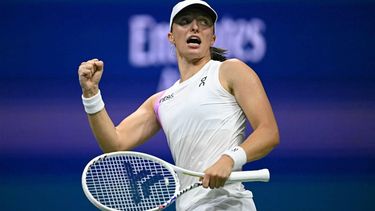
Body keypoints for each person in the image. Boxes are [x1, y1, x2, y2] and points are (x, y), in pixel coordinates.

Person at [78, 0, 279, 210]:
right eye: (185, 21)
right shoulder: (160, 101)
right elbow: (115, 143)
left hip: (229, 205)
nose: (195, 27)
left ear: (212, 37)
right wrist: (91, 94)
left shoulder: (230, 71)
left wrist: (230, 158)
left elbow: (268, 132)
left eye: (204, 22)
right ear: (171, 37)